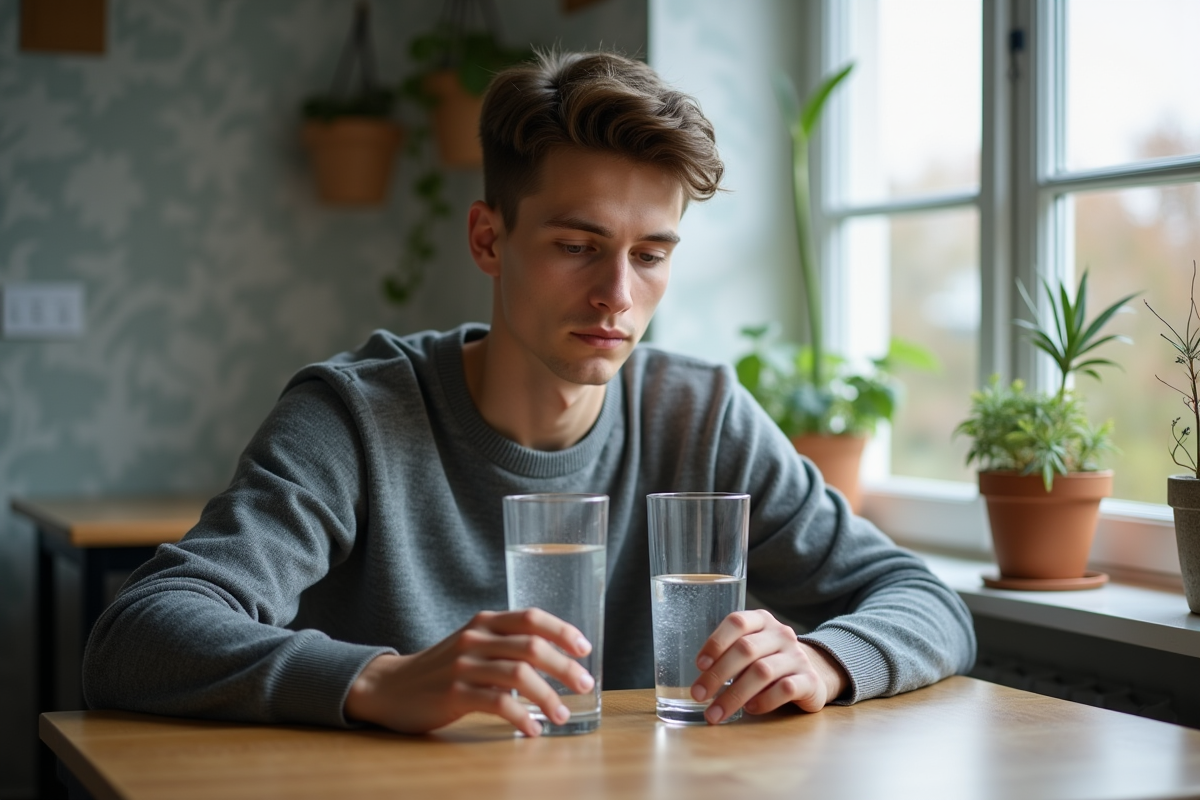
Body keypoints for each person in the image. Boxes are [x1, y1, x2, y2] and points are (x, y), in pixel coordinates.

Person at [83, 50, 975, 737]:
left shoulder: (699, 413)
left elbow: (926, 601)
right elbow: (141, 634)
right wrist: (379, 681)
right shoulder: (356, 415)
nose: (618, 296)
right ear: (487, 239)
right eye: (576, 245)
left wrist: (825, 659)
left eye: (651, 255)